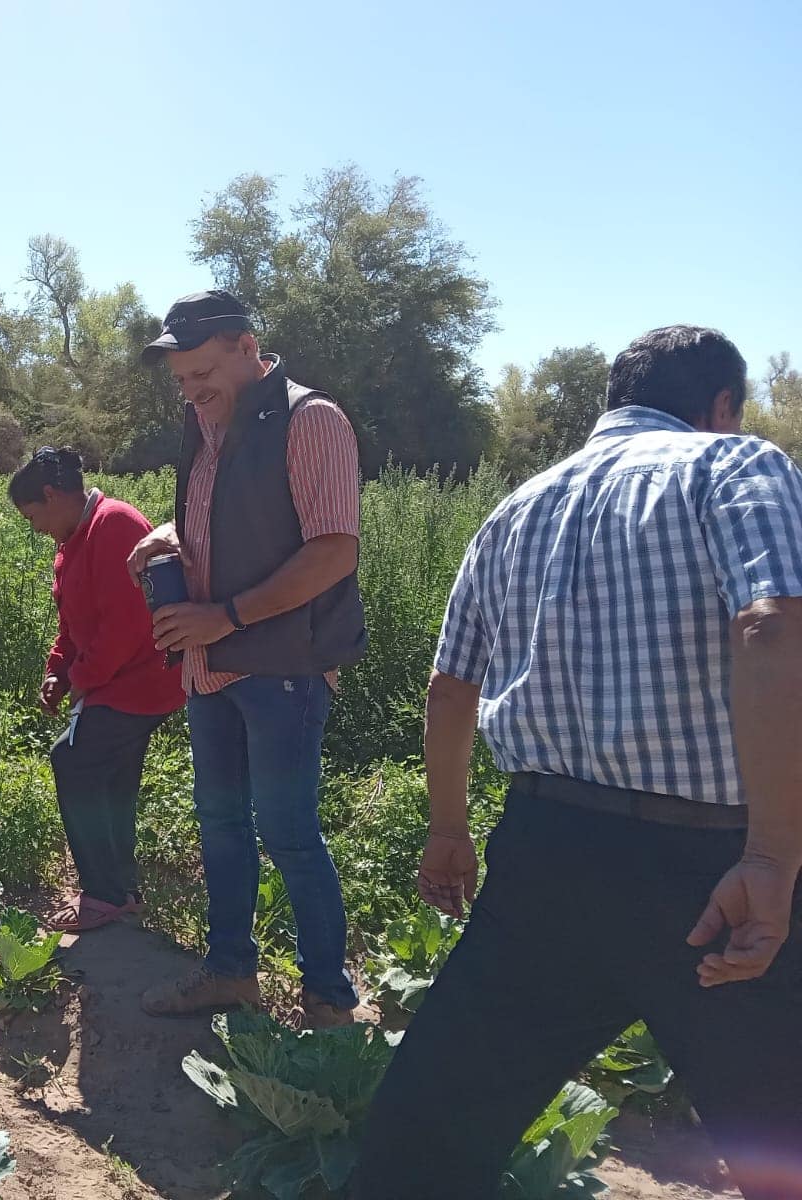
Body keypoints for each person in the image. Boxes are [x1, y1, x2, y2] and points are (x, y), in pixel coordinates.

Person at [354, 326, 802, 1199]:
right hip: (713, 869)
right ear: (719, 407)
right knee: (780, 1133)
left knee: (434, 1126)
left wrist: (449, 832)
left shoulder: (517, 509)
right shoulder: (736, 466)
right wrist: (774, 852)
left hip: (546, 853)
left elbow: (450, 691)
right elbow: (772, 624)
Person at [127, 289, 367, 1027]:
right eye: (181, 378)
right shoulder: (208, 428)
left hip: (280, 667)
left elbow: (332, 550)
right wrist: (164, 536)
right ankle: (231, 971)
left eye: (202, 370)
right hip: (211, 665)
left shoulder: (310, 419)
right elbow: (225, 516)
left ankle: (328, 997)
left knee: (288, 832)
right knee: (221, 825)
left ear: (244, 345)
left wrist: (221, 616)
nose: (192, 388)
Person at [10, 447, 185, 932]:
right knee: (111, 777)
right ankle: (121, 890)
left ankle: (105, 892)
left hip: (141, 682)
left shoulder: (115, 526)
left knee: (73, 759)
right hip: (115, 682)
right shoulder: (76, 538)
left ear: (51, 495)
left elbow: (125, 629)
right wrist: (58, 671)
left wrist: (80, 682)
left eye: (33, 517)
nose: (35, 528)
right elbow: (75, 625)